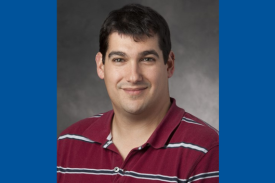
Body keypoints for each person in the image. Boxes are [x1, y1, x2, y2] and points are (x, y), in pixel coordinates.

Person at [57, 3, 219, 183]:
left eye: (147, 59)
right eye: (119, 59)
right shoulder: (67, 145)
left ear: (169, 65)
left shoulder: (207, 151)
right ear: (101, 65)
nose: (134, 76)